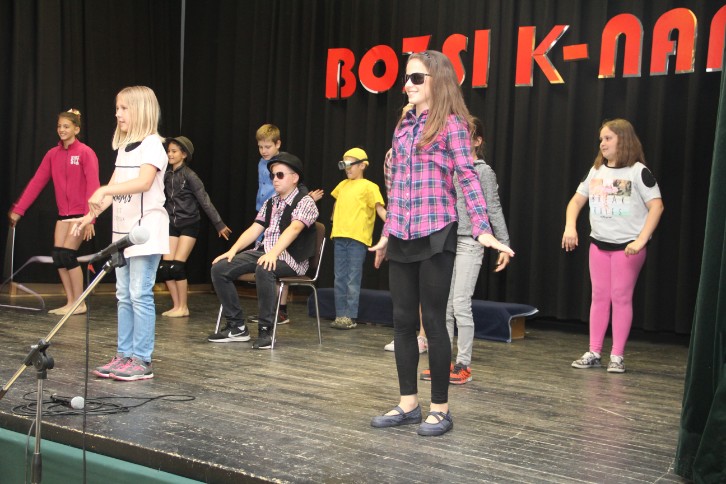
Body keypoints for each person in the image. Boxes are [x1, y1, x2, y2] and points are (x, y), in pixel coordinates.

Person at [369, 51, 514, 437]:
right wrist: (386, 234)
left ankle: (440, 409)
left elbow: (467, 177)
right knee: (403, 321)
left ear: (438, 80)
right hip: (402, 234)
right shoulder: (403, 126)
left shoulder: (453, 125)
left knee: (434, 320)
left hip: (437, 233)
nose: (408, 84)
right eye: (406, 78)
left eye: (416, 78)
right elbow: (397, 186)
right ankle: (408, 405)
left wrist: (483, 229)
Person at [71, 86, 169, 381]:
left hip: (145, 231)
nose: (118, 114)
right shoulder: (124, 148)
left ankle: (142, 360)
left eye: (124, 108)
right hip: (122, 235)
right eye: (117, 108)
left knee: (140, 294)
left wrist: (104, 189)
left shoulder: (153, 145)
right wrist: (90, 215)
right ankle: (124, 355)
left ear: (141, 110)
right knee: (123, 295)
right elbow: (113, 190)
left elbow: (143, 182)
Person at [563, 118, 663, 374]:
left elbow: (657, 206)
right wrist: (570, 226)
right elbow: (576, 201)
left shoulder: (638, 172)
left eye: (608, 138)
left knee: (620, 297)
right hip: (599, 245)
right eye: (601, 139)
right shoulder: (596, 171)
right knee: (598, 296)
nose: (602, 143)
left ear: (623, 140)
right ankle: (594, 351)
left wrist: (641, 240)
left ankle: (617, 356)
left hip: (627, 248)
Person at [420, 116, 511, 385]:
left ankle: (464, 364)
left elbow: (493, 207)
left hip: (471, 241)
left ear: (477, 141)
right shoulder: (449, 167)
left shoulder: (483, 171)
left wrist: (503, 243)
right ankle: (443, 364)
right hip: (447, 241)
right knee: (445, 306)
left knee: (460, 303)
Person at [208, 152, 319, 349]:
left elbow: (294, 229)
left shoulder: (305, 201)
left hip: (291, 258)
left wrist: (273, 253)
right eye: (273, 175)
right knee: (220, 268)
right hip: (265, 252)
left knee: (265, 268)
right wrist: (232, 250)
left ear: (295, 178)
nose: (275, 179)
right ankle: (236, 326)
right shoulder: (271, 202)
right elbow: (255, 229)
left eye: (280, 175)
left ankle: (266, 330)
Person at [8, 109, 100, 315]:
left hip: (81, 215)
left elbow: (93, 187)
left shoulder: (85, 152)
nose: (61, 130)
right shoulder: (52, 155)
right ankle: (71, 301)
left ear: (76, 129)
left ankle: (80, 302)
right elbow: (36, 183)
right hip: (63, 215)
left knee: (67, 255)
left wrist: (90, 219)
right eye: (59, 126)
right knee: (58, 257)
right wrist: (19, 209)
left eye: (66, 126)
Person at [250, 124, 322, 325]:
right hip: (266, 214)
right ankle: (267, 309)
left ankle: (280, 310)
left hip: (284, 216)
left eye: (267, 147)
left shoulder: (286, 163)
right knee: (262, 258)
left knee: (279, 257)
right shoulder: (261, 164)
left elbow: (297, 188)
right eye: (260, 147)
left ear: (277, 144)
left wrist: (306, 199)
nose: (263, 151)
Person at [157, 136, 232, 317]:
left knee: (177, 267)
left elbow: (204, 200)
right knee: (165, 268)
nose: (170, 154)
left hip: (189, 223)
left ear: (184, 154)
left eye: (174, 151)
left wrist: (219, 224)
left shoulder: (190, 176)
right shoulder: (166, 175)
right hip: (171, 223)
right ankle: (176, 305)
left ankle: (183, 307)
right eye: (168, 151)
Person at [329, 147, 386, 329]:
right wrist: (334, 219)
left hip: (357, 238)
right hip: (339, 236)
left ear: (362, 165)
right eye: (344, 164)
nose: (347, 168)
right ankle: (340, 315)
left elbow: (379, 209)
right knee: (339, 277)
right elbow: (337, 204)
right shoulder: (342, 185)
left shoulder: (369, 187)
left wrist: (393, 225)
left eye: (350, 164)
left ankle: (350, 316)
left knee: (352, 277)